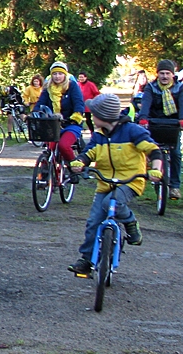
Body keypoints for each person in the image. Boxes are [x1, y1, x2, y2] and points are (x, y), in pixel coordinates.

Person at [68, 93, 162, 275]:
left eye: (93, 114)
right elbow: (89, 153)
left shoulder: (133, 131)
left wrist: (156, 170)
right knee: (93, 221)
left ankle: (130, 223)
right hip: (106, 182)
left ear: (103, 116)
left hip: (130, 181)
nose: (91, 117)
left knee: (112, 203)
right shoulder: (99, 135)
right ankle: (86, 260)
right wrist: (80, 162)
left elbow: (153, 150)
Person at [135, 59, 183, 200]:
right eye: (161, 73)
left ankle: (174, 186)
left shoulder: (179, 88)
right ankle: (150, 177)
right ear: (157, 74)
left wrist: (181, 120)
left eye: (167, 73)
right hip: (154, 122)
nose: (164, 76)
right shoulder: (151, 87)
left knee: (175, 153)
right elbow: (146, 103)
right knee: (151, 151)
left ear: (172, 75)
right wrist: (143, 118)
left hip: (173, 124)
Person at [32, 61, 85, 173]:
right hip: (52, 124)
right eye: (54, 74)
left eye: (60, 74)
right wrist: (34, 113)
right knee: (49, 147)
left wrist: (75, 116)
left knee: (63, 145)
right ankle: (46, 171)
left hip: (70, 123)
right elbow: (41, 103)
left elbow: (79, 103)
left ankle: (73, 169)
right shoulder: (48, 87)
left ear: (65, 75)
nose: (57, 76)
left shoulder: (72, 86)